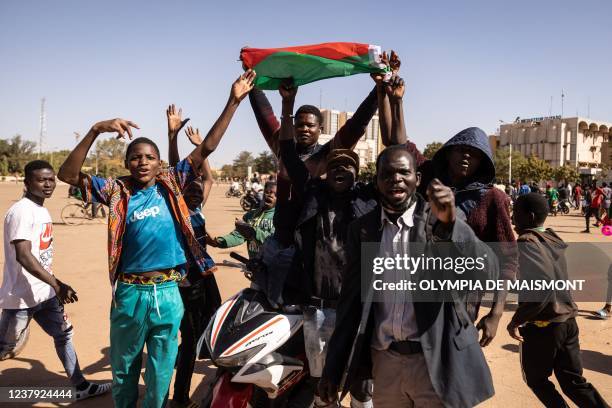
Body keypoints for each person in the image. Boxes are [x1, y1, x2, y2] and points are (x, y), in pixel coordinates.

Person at [57, 71, 255, 408]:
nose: (143, 162)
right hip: (130, 293)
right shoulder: (117, 191)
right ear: (126, 163)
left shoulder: (172, 184)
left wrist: (233, 101)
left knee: (161, 373)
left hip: (167, 292)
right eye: (135, 157)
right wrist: (94, 130)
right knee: (124, 370)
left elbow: (207, 147)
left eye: (150, 157)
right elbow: (68, 175)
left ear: (160, 162)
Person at [318, 146, 498, 408]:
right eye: (387, 174)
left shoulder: (441, 219)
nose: (396, 179)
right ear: (377, 181)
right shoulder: (363, 230)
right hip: (386, 364)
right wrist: (333, 369)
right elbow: (350, 303)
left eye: (404, 172)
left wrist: (451, 225)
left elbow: (487, 269)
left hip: (435, 362)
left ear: (418, 179)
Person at [276, 72, 407, 407]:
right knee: (324, 384)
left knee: (363, 384)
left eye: (348, 167)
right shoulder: (311, 194)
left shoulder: (369, 201)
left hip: (361, 310)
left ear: (358, 175)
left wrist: (385, 95)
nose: (340, 171)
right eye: (334, 165)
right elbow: (289, 156)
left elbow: (395, 152)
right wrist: (287, 103)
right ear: (325, 172)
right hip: (318, 309)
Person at [0, 160, 111, 401]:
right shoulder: (22, 211)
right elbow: (24, 256)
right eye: (42, 180)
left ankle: (80, 385)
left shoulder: (41, 209)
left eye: (51, 179)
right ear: (28, 182)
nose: (48, 184)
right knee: (5, 348)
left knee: (64, 335)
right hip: (21, 298)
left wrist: (53, 285)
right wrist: (57, 284)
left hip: (45, 294)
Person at [404, 126, 518, 347]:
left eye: (475, 153)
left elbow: (508, 258)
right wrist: (391, 99)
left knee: (454, 362)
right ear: (448, 152)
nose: (467, 156)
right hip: (418, 290)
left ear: (482, 162)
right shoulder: (430, 178)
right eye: (461, 150)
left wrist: (496, 313)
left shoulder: (492, 198)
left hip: (462, 300)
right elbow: (399, 141)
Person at [507, 193, 609, 408]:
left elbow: (542, 287)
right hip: (567, 321)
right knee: (573, 382)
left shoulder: (527, 240)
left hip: (544, 325)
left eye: (515, 213)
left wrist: (516, 320)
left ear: (530, 216)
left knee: (536, 379)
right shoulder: (552, 237)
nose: (512, 217)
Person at [167, 119, 222, 408]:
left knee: (211, 326)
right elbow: (177, 174)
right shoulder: (178, 210)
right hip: (182, 280)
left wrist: (201, 149)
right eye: (192, 189)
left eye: (199, 189)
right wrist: (173, 137)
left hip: (203, 277)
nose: (198, 190)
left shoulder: (198, 206)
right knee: (188, 340)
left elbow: (208, 180)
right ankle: (179, 397)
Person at [208, 181, 277, 259]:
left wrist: (252, 231)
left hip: (272, 265)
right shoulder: (250, 215)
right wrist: (219, 242)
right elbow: (238, 236)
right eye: (267, 192)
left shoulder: (279, 218)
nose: (270, 195)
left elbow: (273, 241)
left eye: (275, 194)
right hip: (254, 264)